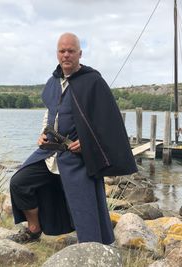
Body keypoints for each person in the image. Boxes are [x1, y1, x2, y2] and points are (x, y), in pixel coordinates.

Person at [8, 32, 137, 245]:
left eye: (71, 51)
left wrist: (88, 142)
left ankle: (93, 249)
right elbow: (50, 112)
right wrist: (42, 134)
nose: (66, 55)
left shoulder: (93, 81)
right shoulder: (53, 81)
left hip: (79, 158)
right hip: (50, 152)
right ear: (57, 53)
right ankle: (33, 229)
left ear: (80, 53)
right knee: (19, 182)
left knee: (84, 208)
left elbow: (109, 123)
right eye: (62, 51)